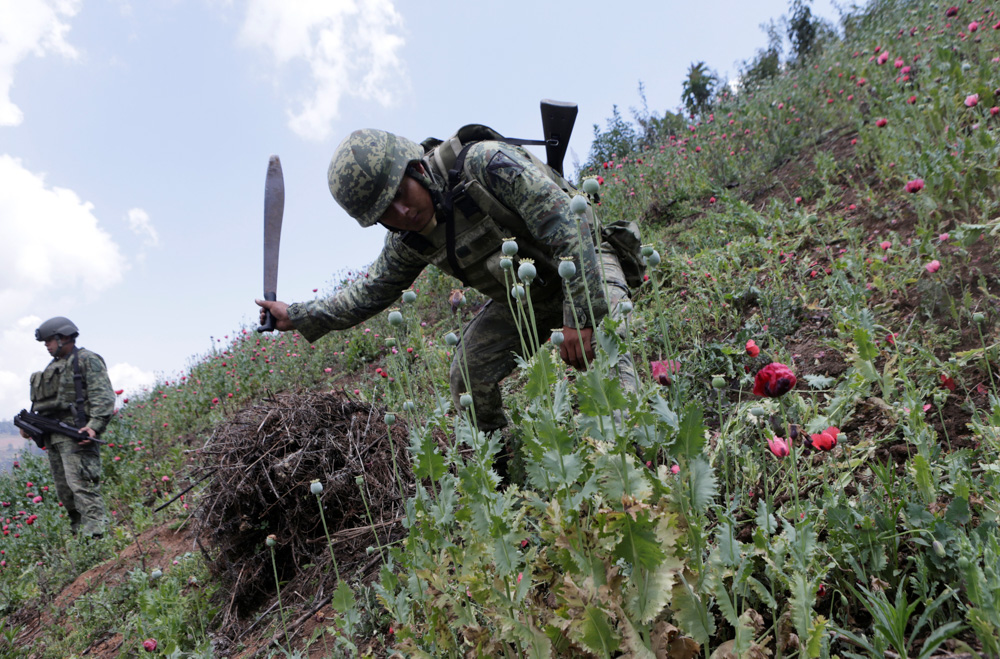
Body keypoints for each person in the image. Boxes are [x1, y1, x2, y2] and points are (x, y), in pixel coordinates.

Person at [256, 128, 637, 439]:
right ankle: (500, 474)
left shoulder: (483, 164)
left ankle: (639, 449)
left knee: (612, 346)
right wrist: (298, 315)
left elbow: (569, 230)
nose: (402, 213)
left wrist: (581, 317)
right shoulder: (409, 240)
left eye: (400, 195)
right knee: (467, 376)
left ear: (415, 169)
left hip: (587, 270)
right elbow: (369, 292)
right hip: (524, 304)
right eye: (385, 213)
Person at [22, 317, 113, 538]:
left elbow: (103, 396)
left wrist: (94, 426)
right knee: (66, 493)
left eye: (49, 341)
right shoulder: (53, 367)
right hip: (54, 439)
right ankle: (80, 538)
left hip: (77, 436)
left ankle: (97, 537)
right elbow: (47, 404)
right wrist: (29, 426)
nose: (47, 345)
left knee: (82, 487)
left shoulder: (87, 360)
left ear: (63, 337)